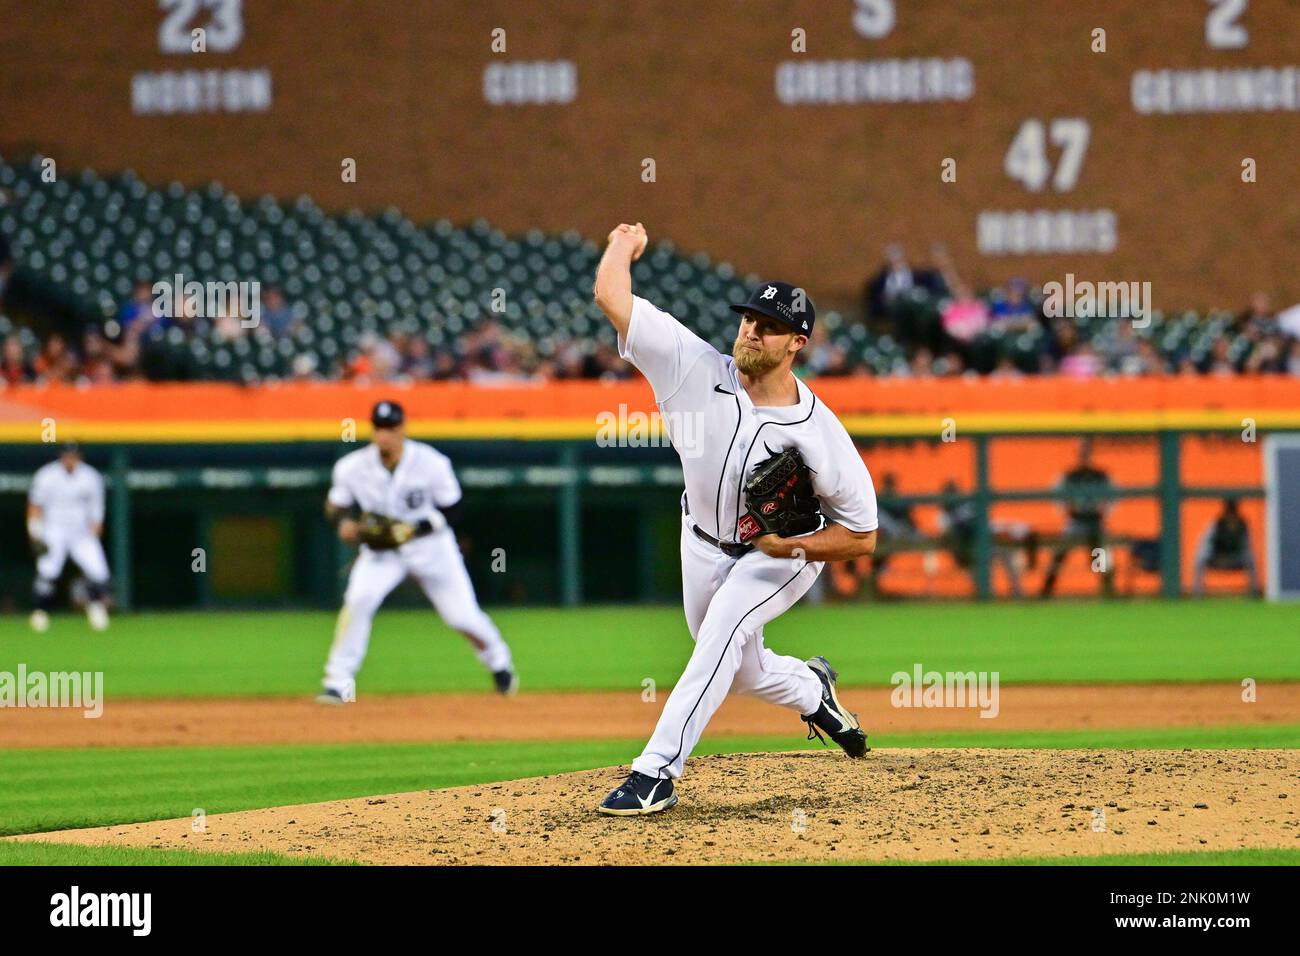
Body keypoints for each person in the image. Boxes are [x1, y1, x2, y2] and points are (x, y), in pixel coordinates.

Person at [593, 222, 878, 816]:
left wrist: (788, 550)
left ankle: (655, 773)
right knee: (741, 670)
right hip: (698, 540)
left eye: (769, 327)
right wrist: (624, 243)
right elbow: (613, 298)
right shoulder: (691, 368)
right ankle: (811, 689)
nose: (752, 330)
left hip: (781, 555)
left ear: (796, 343)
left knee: (721, 633)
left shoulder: (821, 433)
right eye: (749, 318)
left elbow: (863, 535)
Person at [317, 400, 516, 703]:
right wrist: (343, 523)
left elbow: (454, 509)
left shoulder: (431, 462)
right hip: (382, 553)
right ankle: (338, 682)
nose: (384, 436)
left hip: (432, 549)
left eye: (391, 429)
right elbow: (336, 504)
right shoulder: (351, 467)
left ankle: (499, 663)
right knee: (359, 600)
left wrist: (415, 528)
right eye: (379, 429)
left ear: (403, 428)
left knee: (462, 617)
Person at [27, 442, 112, 632]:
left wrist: (96, 524)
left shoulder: (90, 476)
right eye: (66, 454)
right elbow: (35, 507)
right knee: (48, 572)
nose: (70, 458)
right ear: (61, 455)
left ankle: (96, 608)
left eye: (73, 454)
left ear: (80, 456)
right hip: (54, 530)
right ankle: (40, 612)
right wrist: (35, 533)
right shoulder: (46, 475)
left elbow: (97, 506)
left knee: (99, 571)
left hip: (81, 532)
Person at [1040, 438, 1113, 597]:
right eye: (1082, 453)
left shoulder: (1100, 475)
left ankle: (1107, 590)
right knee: (1060, 552)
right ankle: (1046, 591)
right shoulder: (1070, 476)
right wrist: (1068, 510)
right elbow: (1058, 496)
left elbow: (1111, 497)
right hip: (1075, 521)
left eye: (1087, 452)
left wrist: (1103, 511)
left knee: (1099, 554)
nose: (1084, 456)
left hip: (1095, 521)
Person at [1192, 498, 1260, 596]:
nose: (1231, 518)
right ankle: (1197, 594)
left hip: (1235, 558)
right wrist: (1218, 557)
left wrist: (1233, 556)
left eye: (1233, 515)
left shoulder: (1243, 525)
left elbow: (1247, 547)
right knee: (1200, 558)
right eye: (1229, 514)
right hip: (1217, 558)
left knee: (1250, 559)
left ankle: (1254, 593)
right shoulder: (1217, 524)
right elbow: (1204, 544)